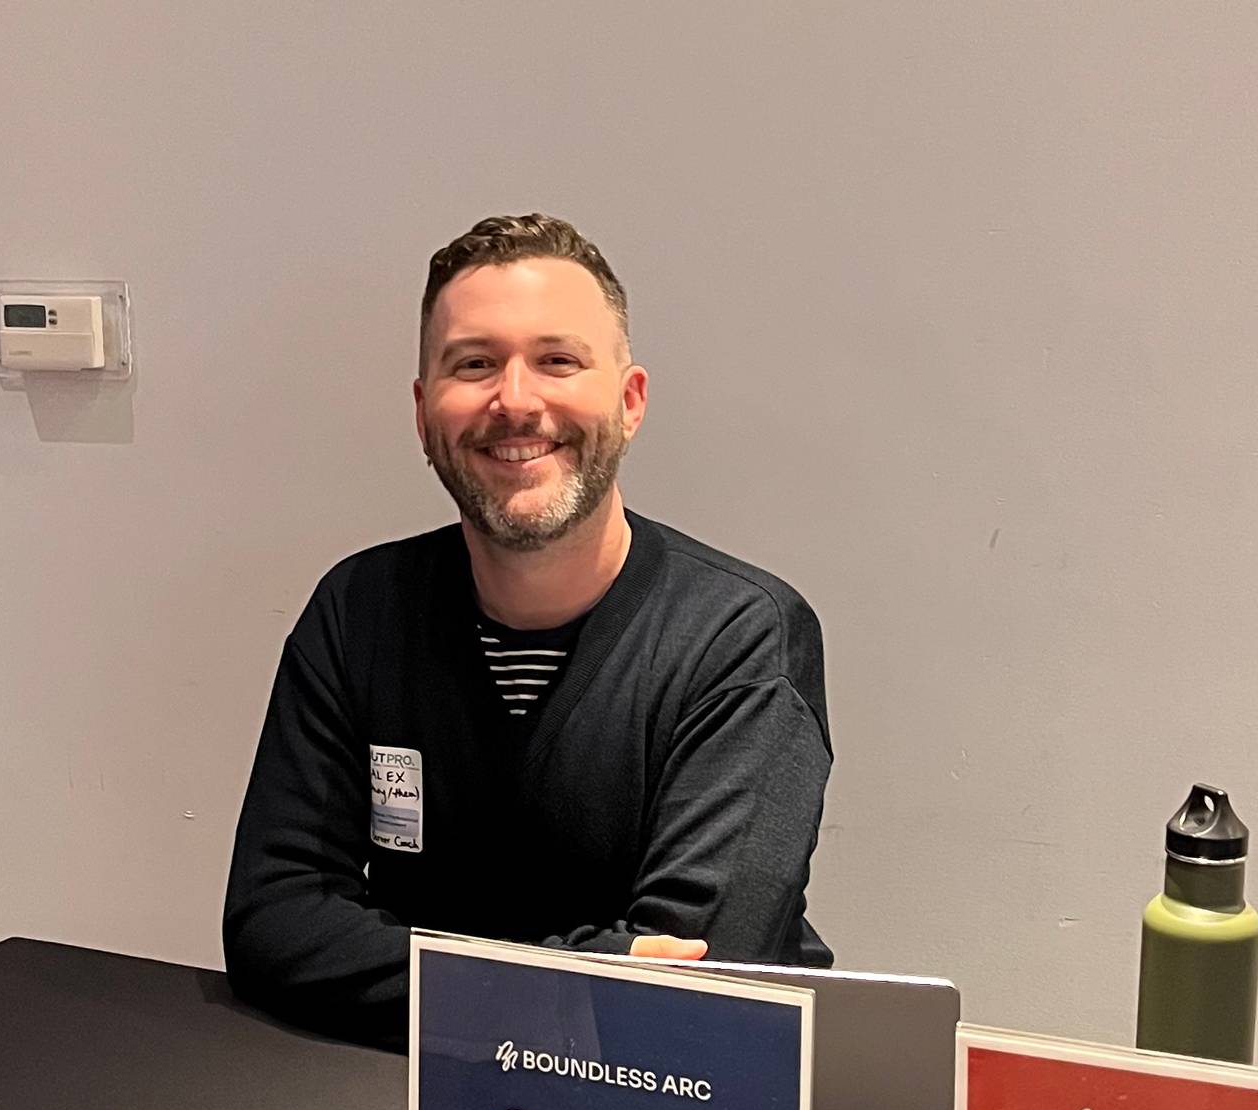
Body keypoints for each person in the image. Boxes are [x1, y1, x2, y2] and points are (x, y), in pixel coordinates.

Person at [223, 213, 832, 1045]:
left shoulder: (741, 638)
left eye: (558, 361)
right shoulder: (359, 611)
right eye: (474, 364)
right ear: (423, 413)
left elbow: (688, 987)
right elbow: (274, 920)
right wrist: (558, 991)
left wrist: (432, 982)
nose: (514, 400)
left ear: (629, 402)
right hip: (402, 1094)